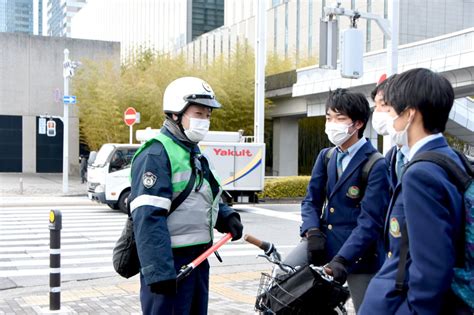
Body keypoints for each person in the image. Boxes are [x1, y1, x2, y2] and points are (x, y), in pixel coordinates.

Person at [129, 77, 244, 315]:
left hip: (198, 259)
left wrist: (226, 216)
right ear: (175, 114)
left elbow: (204, 194)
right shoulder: (156, 153)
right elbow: (148, 218)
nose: (204, 121)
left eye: (208, 115)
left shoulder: (193, 152)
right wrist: (159, 272)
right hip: (168, 263)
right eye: (198, 113)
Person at [359, 68, 466, 314]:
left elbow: (431, 268)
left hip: (401, 301)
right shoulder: (452, 159)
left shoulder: (421, 174)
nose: (386, 116)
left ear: (409, 114)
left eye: (391, 109)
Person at [285, 88, 390, 312]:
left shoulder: (375, 164)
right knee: (285, 278)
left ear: (358, 123)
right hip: (323, 243)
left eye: (340, 118)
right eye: (328, 118)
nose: (332, 124)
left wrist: (343, 259)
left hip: (360, 254)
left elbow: (370, 221)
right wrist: (312, 231)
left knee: (367, 309)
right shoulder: (326, 156)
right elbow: (311, 201)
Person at [371, 74, 408, 192]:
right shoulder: (391, 157)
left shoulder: (435, 161)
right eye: (375, 105)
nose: (376, 111)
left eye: (383, 105)